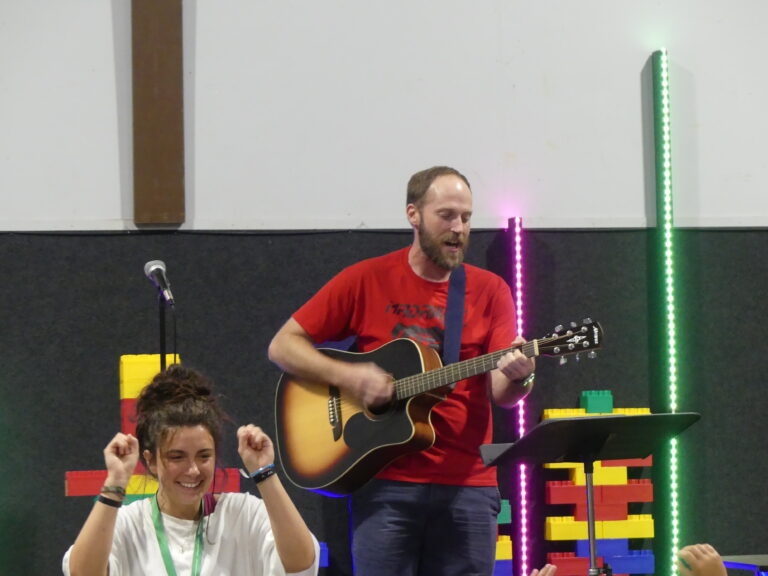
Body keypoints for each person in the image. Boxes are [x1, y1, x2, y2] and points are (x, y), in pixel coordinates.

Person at [268, 165, 536, 576]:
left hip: (468, 485)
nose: (459, 228)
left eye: (466, 217)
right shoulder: (366, 279)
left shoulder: (490, 290)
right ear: (414, 215)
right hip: (386, 483)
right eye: (446, 215)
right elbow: (283, 345)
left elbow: (502, 391)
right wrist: (351, 377)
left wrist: (521, 374)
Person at [62, 364, 319, 576]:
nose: (193, 470)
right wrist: (116, 483)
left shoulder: (243, 513)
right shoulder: (129, 524)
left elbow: (302, 565)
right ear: (151, 461)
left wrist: (264, 473)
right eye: (177, 457)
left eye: (204, 456)